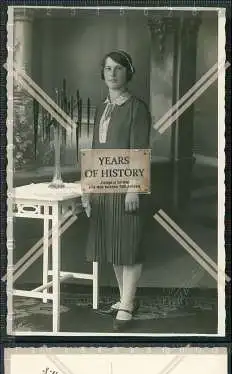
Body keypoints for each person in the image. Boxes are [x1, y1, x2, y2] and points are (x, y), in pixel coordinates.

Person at [82, 50, 151, 331]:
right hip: (103, 185)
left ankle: (127, 302)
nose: (112, 74)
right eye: (108, 69)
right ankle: (127, 299)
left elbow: (139, 149)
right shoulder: (101, 108)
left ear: (128, 72)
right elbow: (96, 151)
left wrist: (133, 189)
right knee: (113, 244)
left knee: (129, 244)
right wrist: (88, 190)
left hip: (128, 186)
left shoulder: (137, 108)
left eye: (118, 69)